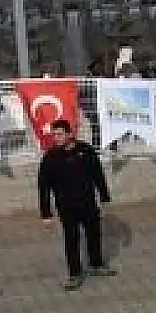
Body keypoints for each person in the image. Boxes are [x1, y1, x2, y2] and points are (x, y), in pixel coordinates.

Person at [36, 119, 117, 291]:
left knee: (94, 234)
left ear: (69, 134)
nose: (56, 138)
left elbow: (98, 174)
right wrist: (46, 214)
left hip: (88, 202)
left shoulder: (85, 151)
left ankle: (96, 264)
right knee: (71, 240)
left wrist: (104, 197)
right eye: (54, 135)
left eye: (59, 134)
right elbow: (44, 187)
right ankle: (74, 274)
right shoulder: (50, 158)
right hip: (66, 207)